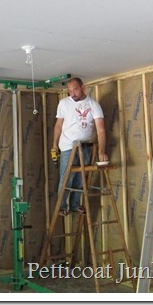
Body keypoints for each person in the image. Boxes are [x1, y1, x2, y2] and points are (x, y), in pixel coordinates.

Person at [51, 77, 108, 216]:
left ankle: (75, 205)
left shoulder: (93, 105)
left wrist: (101, 150)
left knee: (81, 178)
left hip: (85, 147)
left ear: (83, 87)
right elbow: (58, 125)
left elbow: (101, 129)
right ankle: (62, 206)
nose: (72, 93)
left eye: (75, 89)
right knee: (67, 178)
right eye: (69, 91)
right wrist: (54, 145)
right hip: (67, 147)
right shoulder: (64, 103)